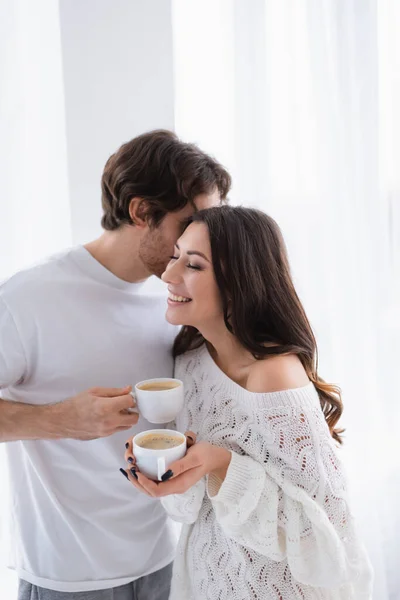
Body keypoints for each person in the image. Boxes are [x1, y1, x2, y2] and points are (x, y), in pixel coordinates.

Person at [0, 130, 231, 600]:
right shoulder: (28, 298)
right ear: (142, 211)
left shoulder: (176, 296)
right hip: (68, 581)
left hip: (165, 563)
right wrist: (56, 420)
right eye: (189, 222)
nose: (200, 238)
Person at [123, 205, 373, 600]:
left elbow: (326, 530)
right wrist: (172, 468)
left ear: (239, 282)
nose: (169, 276)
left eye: (194, 265)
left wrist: (222, 464)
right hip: (207, 581)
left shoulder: (274, 377)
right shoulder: (190, 364)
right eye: (174, 258)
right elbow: (194, 507)